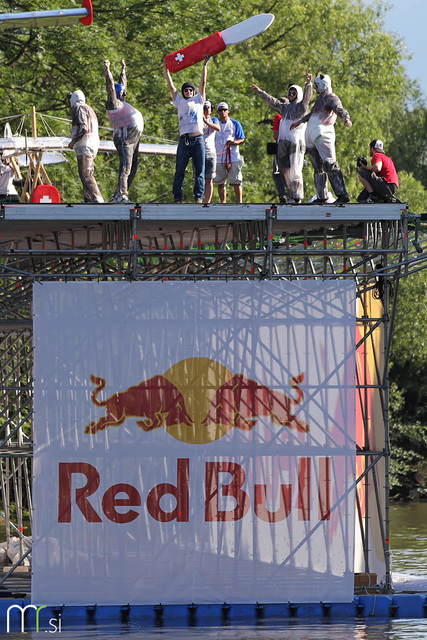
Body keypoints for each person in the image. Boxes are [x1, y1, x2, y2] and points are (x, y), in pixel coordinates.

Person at [291, 73, 351, 204]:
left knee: (330, 164)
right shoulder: (320, 100)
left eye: (317, 86)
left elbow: (339, 109)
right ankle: (321, 196)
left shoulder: (331, 98)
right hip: (312, 138)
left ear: (324, 85)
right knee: (318, 168)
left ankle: (342, 194)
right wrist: (299, 121)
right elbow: (311, 114)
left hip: (323, 135)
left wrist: (346, 118)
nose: (316, 89)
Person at [252, 72, 312, 203]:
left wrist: (308, 84)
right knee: (284, 170)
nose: (291, 95)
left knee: (296, 169)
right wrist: (261, 92)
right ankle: (292, 195)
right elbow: (272, 101)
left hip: (296, 142)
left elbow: (307, 98)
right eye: (290, 93)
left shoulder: (302, 108)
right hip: (284, 142)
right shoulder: (285, 108)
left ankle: (297, 197)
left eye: (293, 93)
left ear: (298, 94)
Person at [164, 54, 211, 203]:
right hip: (184, 141)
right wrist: (166, 70)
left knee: (200, 171)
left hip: (198, 139)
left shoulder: (198, 100)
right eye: (186, 90)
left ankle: (198, 197)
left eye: (191, 90)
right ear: (183, 92)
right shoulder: (179, 101)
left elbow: (203, 83)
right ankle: (178, 198)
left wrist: (204, 65)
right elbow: (171, 87)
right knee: (179, 171)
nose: (188, 92)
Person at [104, 58, 144, 204]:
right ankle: (121, 195)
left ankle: (119, 194)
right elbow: (111, 87)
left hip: (133, 137)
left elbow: (122, 85)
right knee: (126, 166)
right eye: (122, 94)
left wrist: (123, 69)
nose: (124, 95)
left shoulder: (122, 101)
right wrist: (108, 70)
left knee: (132, 166)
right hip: (124, 137)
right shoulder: (113, 103)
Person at [68, 90, 104, 203]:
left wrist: (73, 141)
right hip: (92, 142)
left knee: (85, 173)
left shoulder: (78, 108)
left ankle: (97, 197)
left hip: (85, 143)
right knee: (86, 172)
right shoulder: (89, 109)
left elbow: (83, 127)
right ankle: (88, 199)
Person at [214, 102, 245, 203]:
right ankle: (223, 202)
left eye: (224, 110)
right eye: (220, 110)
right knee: (220, 182)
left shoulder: (235, 123)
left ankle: (239, 202)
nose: (222, 112)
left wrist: (233, 142)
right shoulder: (215, 124)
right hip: (219, 156)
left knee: (236, 181)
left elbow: (242, 138)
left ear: (228, 111)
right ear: (217, 112)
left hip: (233, 157)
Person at [202, 99, 220, 203]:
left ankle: (207, 201)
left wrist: (206, 121)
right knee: (199, 177)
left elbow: (218, 128)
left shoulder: (213, 120)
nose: (206, 109)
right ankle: (199, 199)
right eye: (204, 107)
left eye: (208, 107)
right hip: (199, 151)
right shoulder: (197, 119)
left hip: (211, 152)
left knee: (209, 179)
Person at [271, 107, 287, 202]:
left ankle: (283, 195)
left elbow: (275, 136)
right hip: (295, 147)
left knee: (277, 173)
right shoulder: (297, 115)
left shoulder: (278, 116)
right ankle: (294, 195)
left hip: (281, 146)